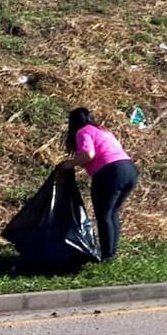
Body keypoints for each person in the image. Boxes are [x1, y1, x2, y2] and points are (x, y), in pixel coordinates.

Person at [57, 107, 139, 261]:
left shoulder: (83, 132)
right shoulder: (103, 131)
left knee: (104, 214)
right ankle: (111, 253)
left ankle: (107, 255)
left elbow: (89, 154)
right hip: (129, 170)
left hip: (110, 172)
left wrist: (69, 164)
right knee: (112, 212)